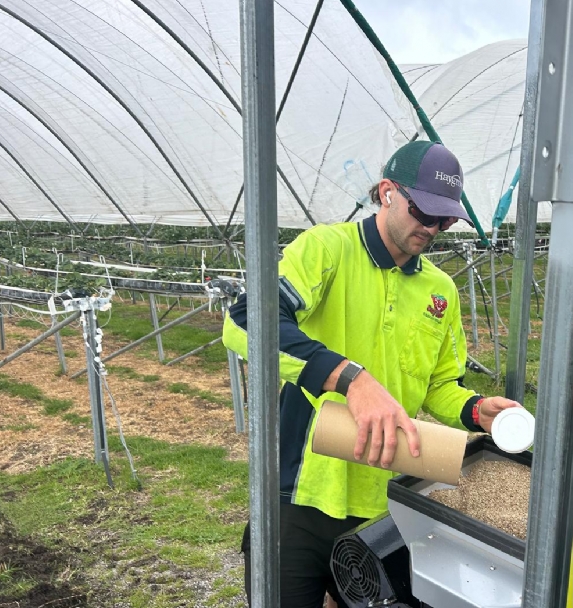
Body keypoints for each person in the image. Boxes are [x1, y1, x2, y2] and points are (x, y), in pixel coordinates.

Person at [223, 140, 521, 608]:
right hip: (301, 497)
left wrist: (476, 410)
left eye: (445, 220)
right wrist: (350, 379)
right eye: (424, 212)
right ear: (387, 192)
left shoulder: (439, 291)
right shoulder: (327, 249)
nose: (433, 228)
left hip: (386, 510)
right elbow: (245, 320)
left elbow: (440, 385)